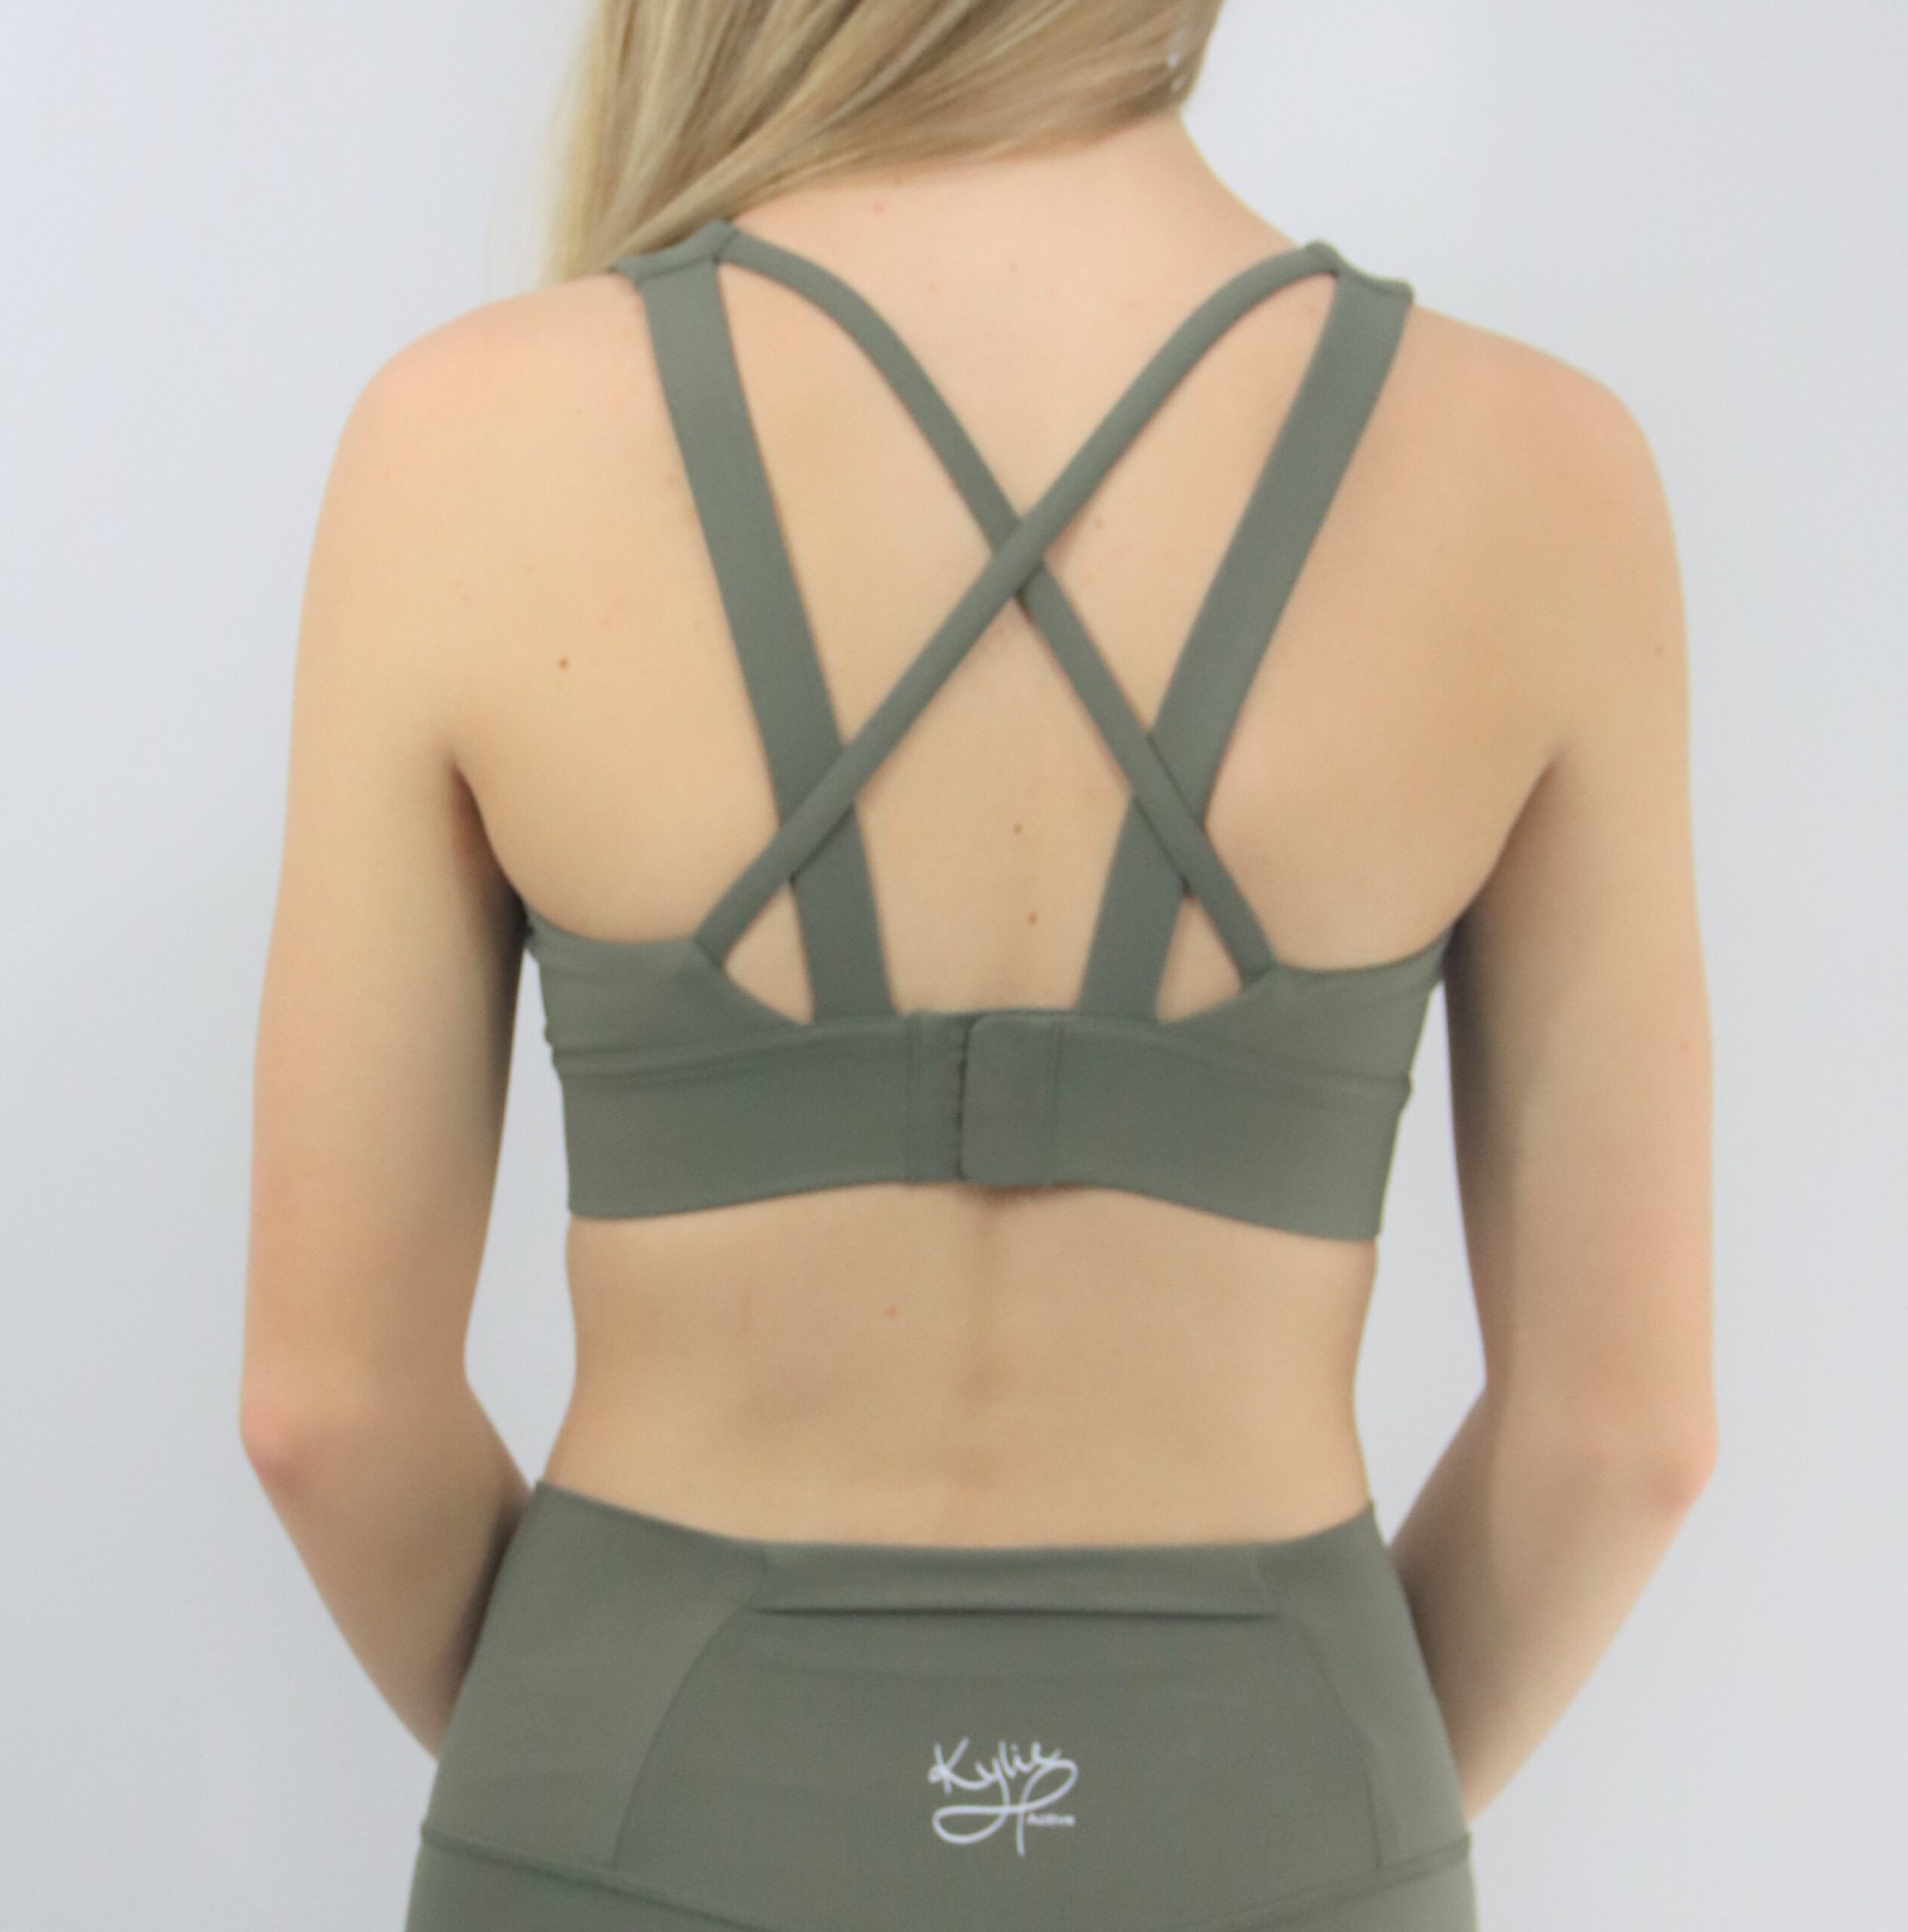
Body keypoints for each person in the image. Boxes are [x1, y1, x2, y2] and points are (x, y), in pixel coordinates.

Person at [239, 3, 1716, 1927]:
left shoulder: (462, 445)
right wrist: (1317, 1803)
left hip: (623, 1825)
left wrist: (592, 1774)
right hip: (1273, 1822)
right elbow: (1622, 1436)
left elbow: (326, 1410)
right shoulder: (1541, 475)